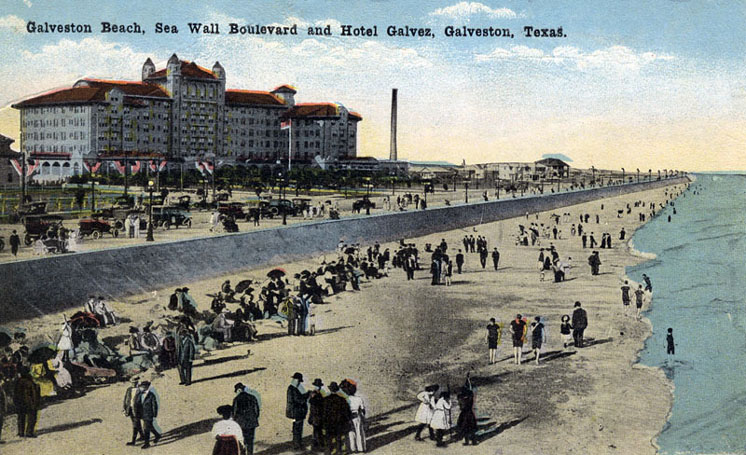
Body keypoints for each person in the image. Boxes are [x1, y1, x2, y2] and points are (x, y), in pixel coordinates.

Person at [323, 381, 352, 455]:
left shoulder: (326, 400)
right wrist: (347, 420)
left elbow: (323, 413)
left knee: (328, 439)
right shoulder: (342, 399)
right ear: (336, 390)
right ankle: (339, 452)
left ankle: (328, 452)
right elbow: (347, 412)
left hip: (329, 423)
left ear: (330, 390)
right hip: (339, 422)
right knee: (338, 438)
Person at [233, 382, 261, 455]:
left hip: (241, 424)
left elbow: (235, 413)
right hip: (251, 423)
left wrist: (235, 421)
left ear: (238, 390)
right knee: (250, 441)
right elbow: (257, 410)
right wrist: (254, 418)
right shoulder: (252, 397)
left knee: (242, 440)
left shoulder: (236, 399)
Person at [14, 367, 41, 438]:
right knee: (32, 417)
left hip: (20, 402)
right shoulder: (30, 382)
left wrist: (16, 403)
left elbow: (15, 393)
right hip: (30, 403)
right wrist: (36, 403)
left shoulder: (18, 382)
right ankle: (29, 432)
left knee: (21, 417)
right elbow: (34, 394)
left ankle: (21, 432)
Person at [286, 372, 309, 451]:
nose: (299, 382)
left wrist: (306, 394)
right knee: (297, 428)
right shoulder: (293, 389)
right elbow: (299, 400)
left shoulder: (292, 388)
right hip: (296, 412)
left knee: (297, 428)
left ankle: (297, 443)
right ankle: (297, 445)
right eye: (298, 381)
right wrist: (307, 396)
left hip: (295, 412)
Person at [136, 380, 161, 449]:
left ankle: (147, 443)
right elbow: (138, 403)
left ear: (147, 387)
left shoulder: (151, 395)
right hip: (142, 413)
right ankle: (157, 435)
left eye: (143, 386)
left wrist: (154, 414)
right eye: (141, 386)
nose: (142, 388)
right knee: (150, 426)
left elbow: (154, 405)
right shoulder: (140, 394)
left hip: (149, 414)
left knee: (146, 428)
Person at [123, 376, 145, 446]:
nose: (133, 384)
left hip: (138, 409)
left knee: (135, 425)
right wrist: (124, 408)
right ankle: (142, 436)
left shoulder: (140, 390)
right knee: (136, 423)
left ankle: (133, 441)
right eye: (132, 383)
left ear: (137, 382)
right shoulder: (129, 389)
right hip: (130, 409)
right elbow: (125, 399)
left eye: (135, 382)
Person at [308, 378, 328, 450]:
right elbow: (313, 406)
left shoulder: (318, 394)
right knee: (317, 431)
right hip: (316, 416)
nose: (318, 387)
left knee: (317, 431)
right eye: (317, 386)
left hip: (317, 416)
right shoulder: (315, 394)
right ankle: (317, 446)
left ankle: (316, 446)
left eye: (319, 386)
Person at [346, 380, 366, 453]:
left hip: (349, 416)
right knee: (359, 432)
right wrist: (363, 417)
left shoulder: (346, 399)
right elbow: (363, 409)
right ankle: (361, 448)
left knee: (351, 433)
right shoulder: (359, 399)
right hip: (357, 416)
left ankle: (353, 448)